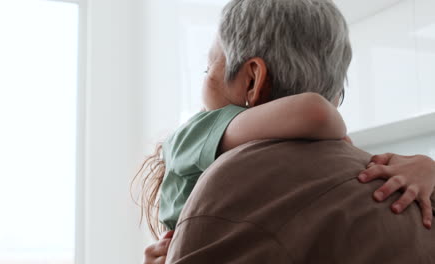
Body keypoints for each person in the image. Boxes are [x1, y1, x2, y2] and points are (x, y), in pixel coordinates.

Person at [138, 0, 435, 263]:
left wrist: (426, 167)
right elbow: (317, 114)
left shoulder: (212, 126)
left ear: (253, 80)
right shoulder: (195, 136)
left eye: (207, 69)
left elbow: (315, 112)